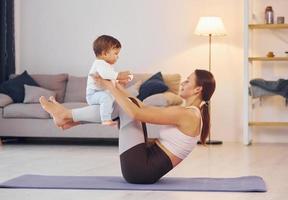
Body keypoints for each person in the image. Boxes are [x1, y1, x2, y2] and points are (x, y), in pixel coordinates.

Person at [39, 69, 216, 184]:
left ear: (197, 90)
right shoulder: (189, 112)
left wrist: (109, 86)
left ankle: (68, 117)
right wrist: (117, 88)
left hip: (140, 171)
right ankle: (69, 119)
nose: (183, 83)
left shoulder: (188, 115)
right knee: (128, 104)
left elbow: (136, 113)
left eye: (187, 80)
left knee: (127, 108)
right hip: (143, 167)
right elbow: (143, 107)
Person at [87, 35, 132, 125]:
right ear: (104, 54)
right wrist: (119, 75)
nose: (117, 57)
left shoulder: (107, 65)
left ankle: (117, 116)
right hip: (93, 95)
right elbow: (106, 75)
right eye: (116, 53)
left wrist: (119, 81)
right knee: (106, 97)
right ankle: (105, 119)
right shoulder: (100, 64)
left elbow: (109, 80)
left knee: (116, 99)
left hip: (101, 92)